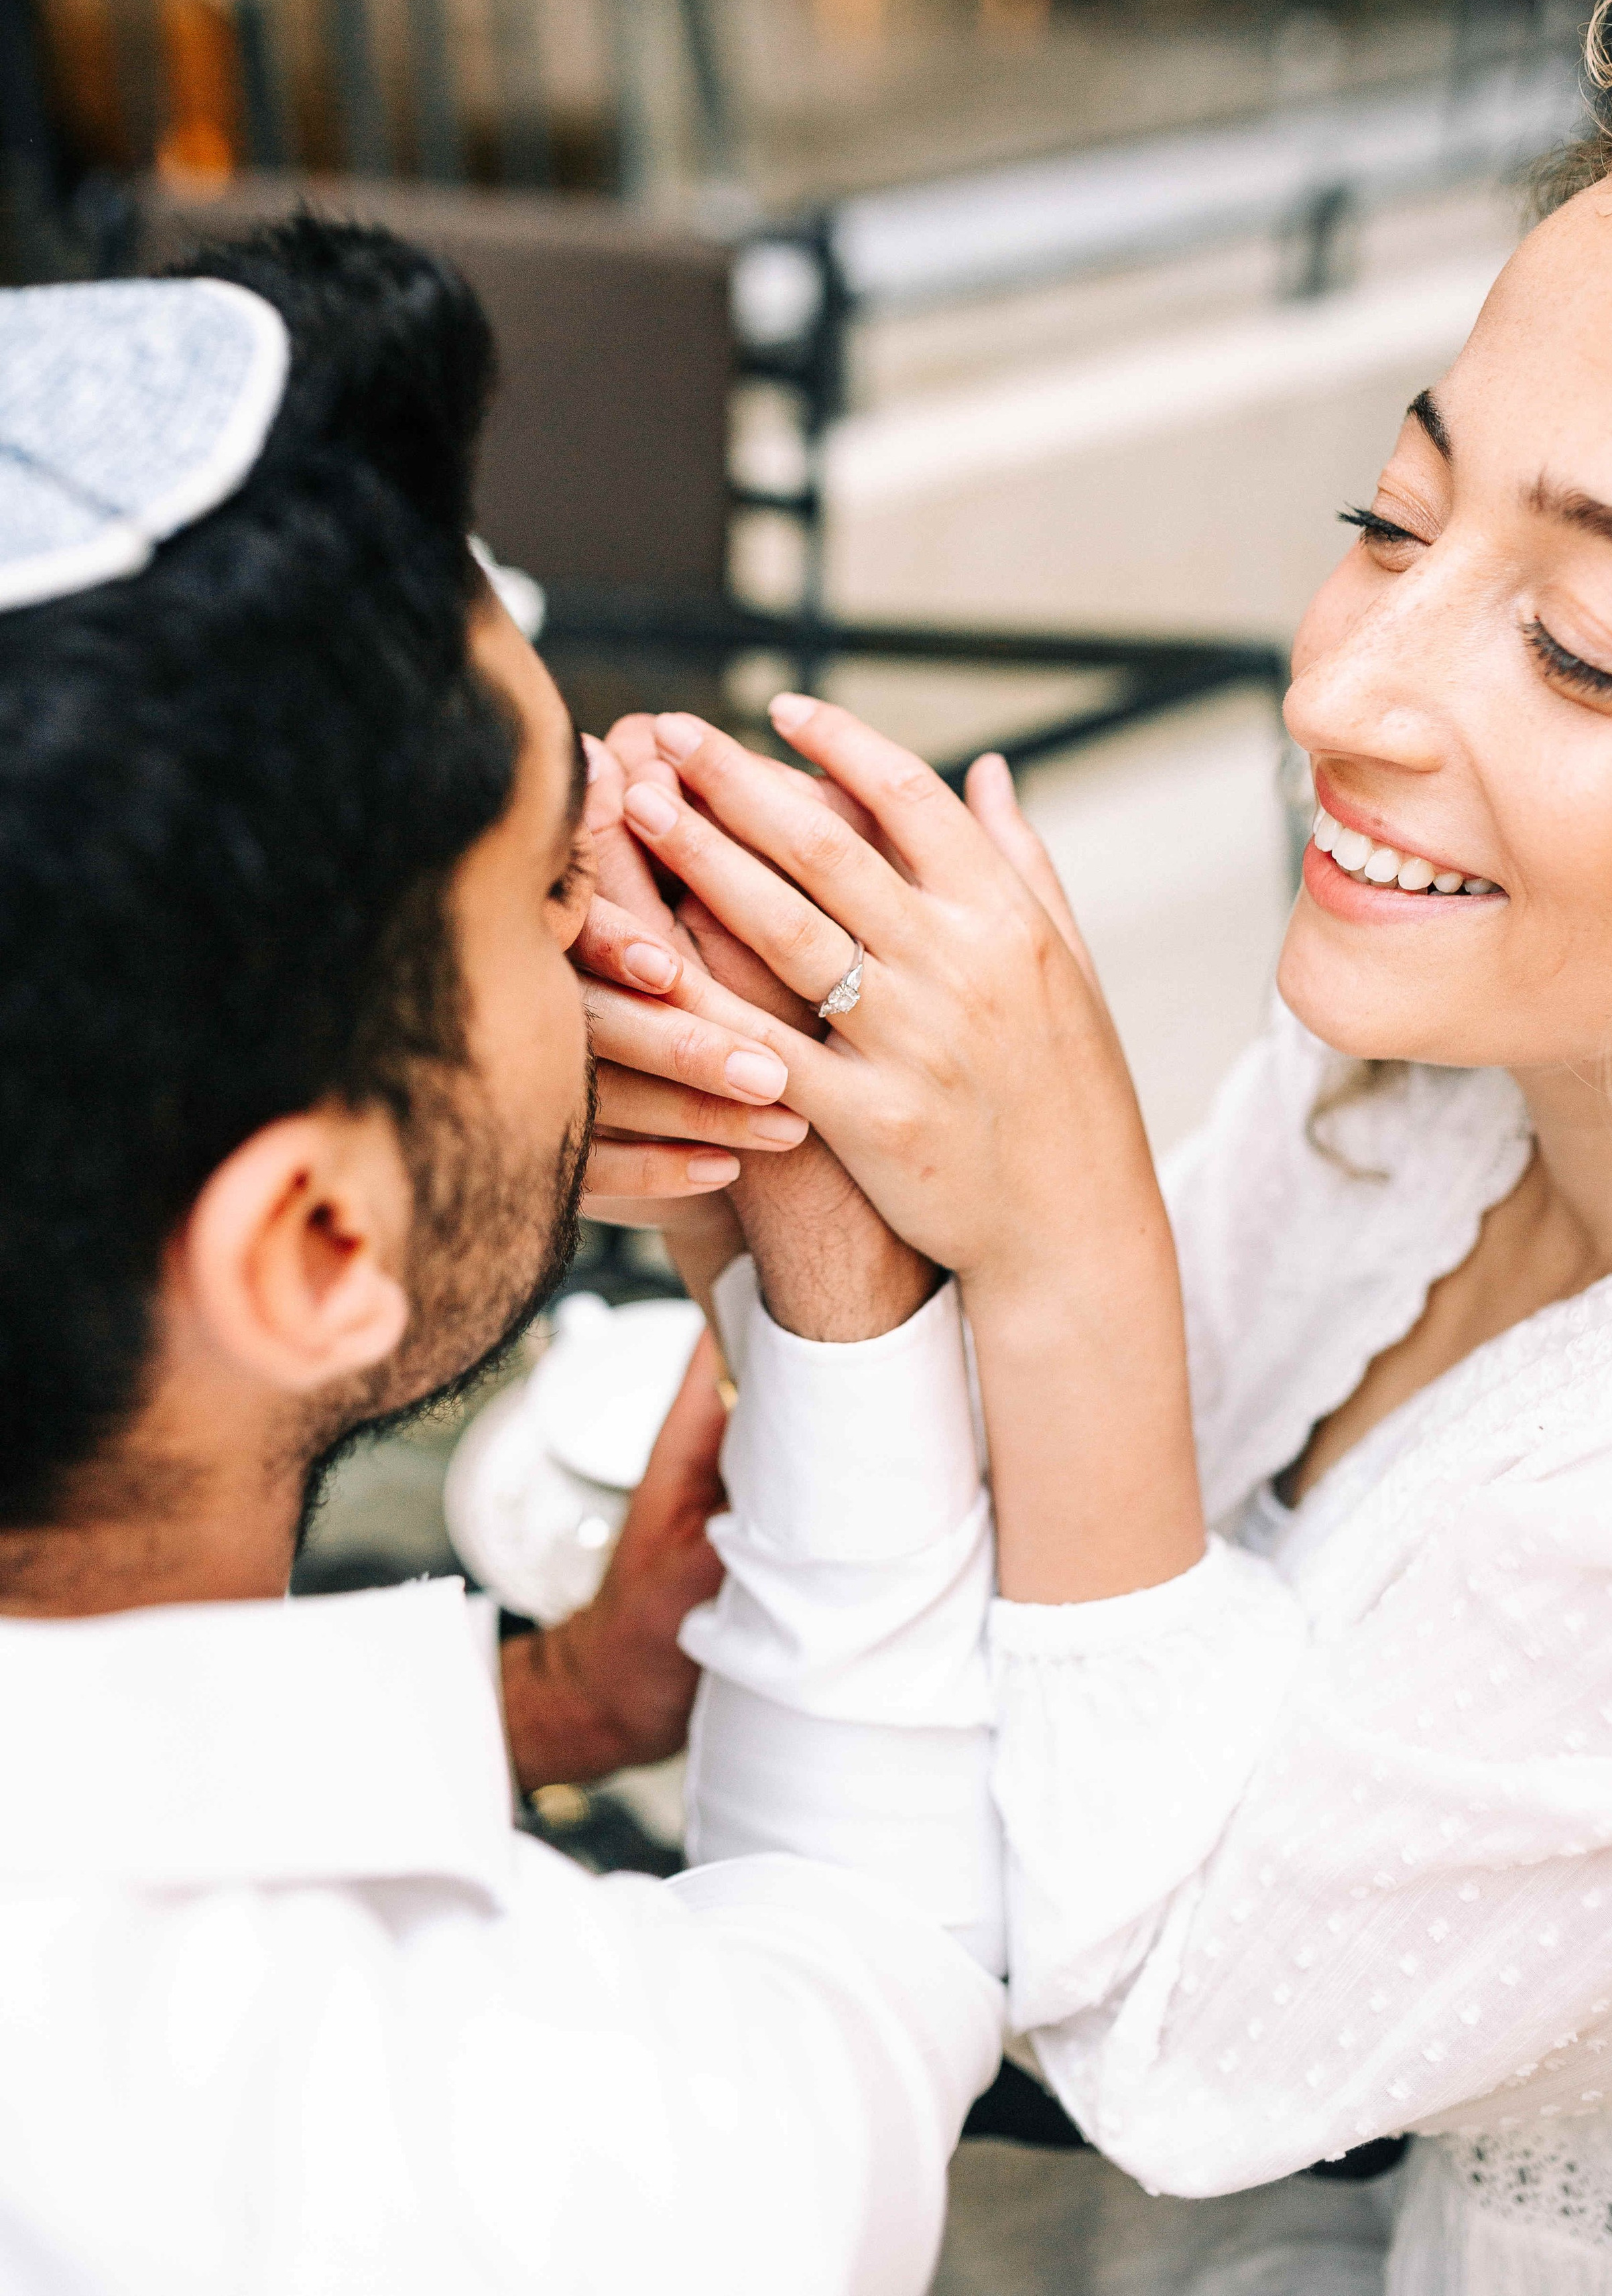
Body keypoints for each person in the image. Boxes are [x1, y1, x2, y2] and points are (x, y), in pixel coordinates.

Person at [599, 17, 1612, 2294]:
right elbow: (999, 1637)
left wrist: (1068, 1245)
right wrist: (786, 1212)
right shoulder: (1396, 1115)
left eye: (1587, 653)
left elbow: (1174, 2045)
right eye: (1389, 523)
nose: (1347, 692)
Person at [0, 221, 1005, 2295]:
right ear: (312, 1239)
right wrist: (839, 1272)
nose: (623, 906)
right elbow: (867, 1970)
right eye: (559, 881)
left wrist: (531, 1706)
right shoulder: (477, 2157)